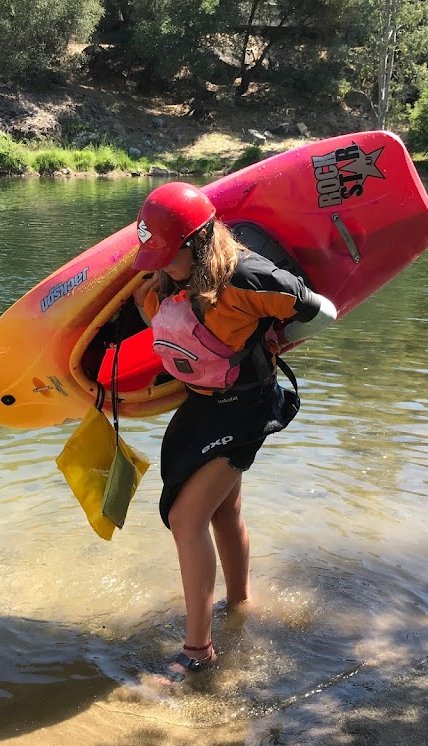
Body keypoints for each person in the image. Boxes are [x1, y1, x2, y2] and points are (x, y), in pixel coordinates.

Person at [130, 181, 337, 681]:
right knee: (224, 510)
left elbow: (323, 311)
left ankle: (198, 652)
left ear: (199, 243)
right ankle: (240, 605)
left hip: (245, 407)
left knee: (185, 519)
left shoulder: (247, 276)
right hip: (204, 404)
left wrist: (276, 342)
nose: (159, 264)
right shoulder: (167, 279)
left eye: (166, 253)